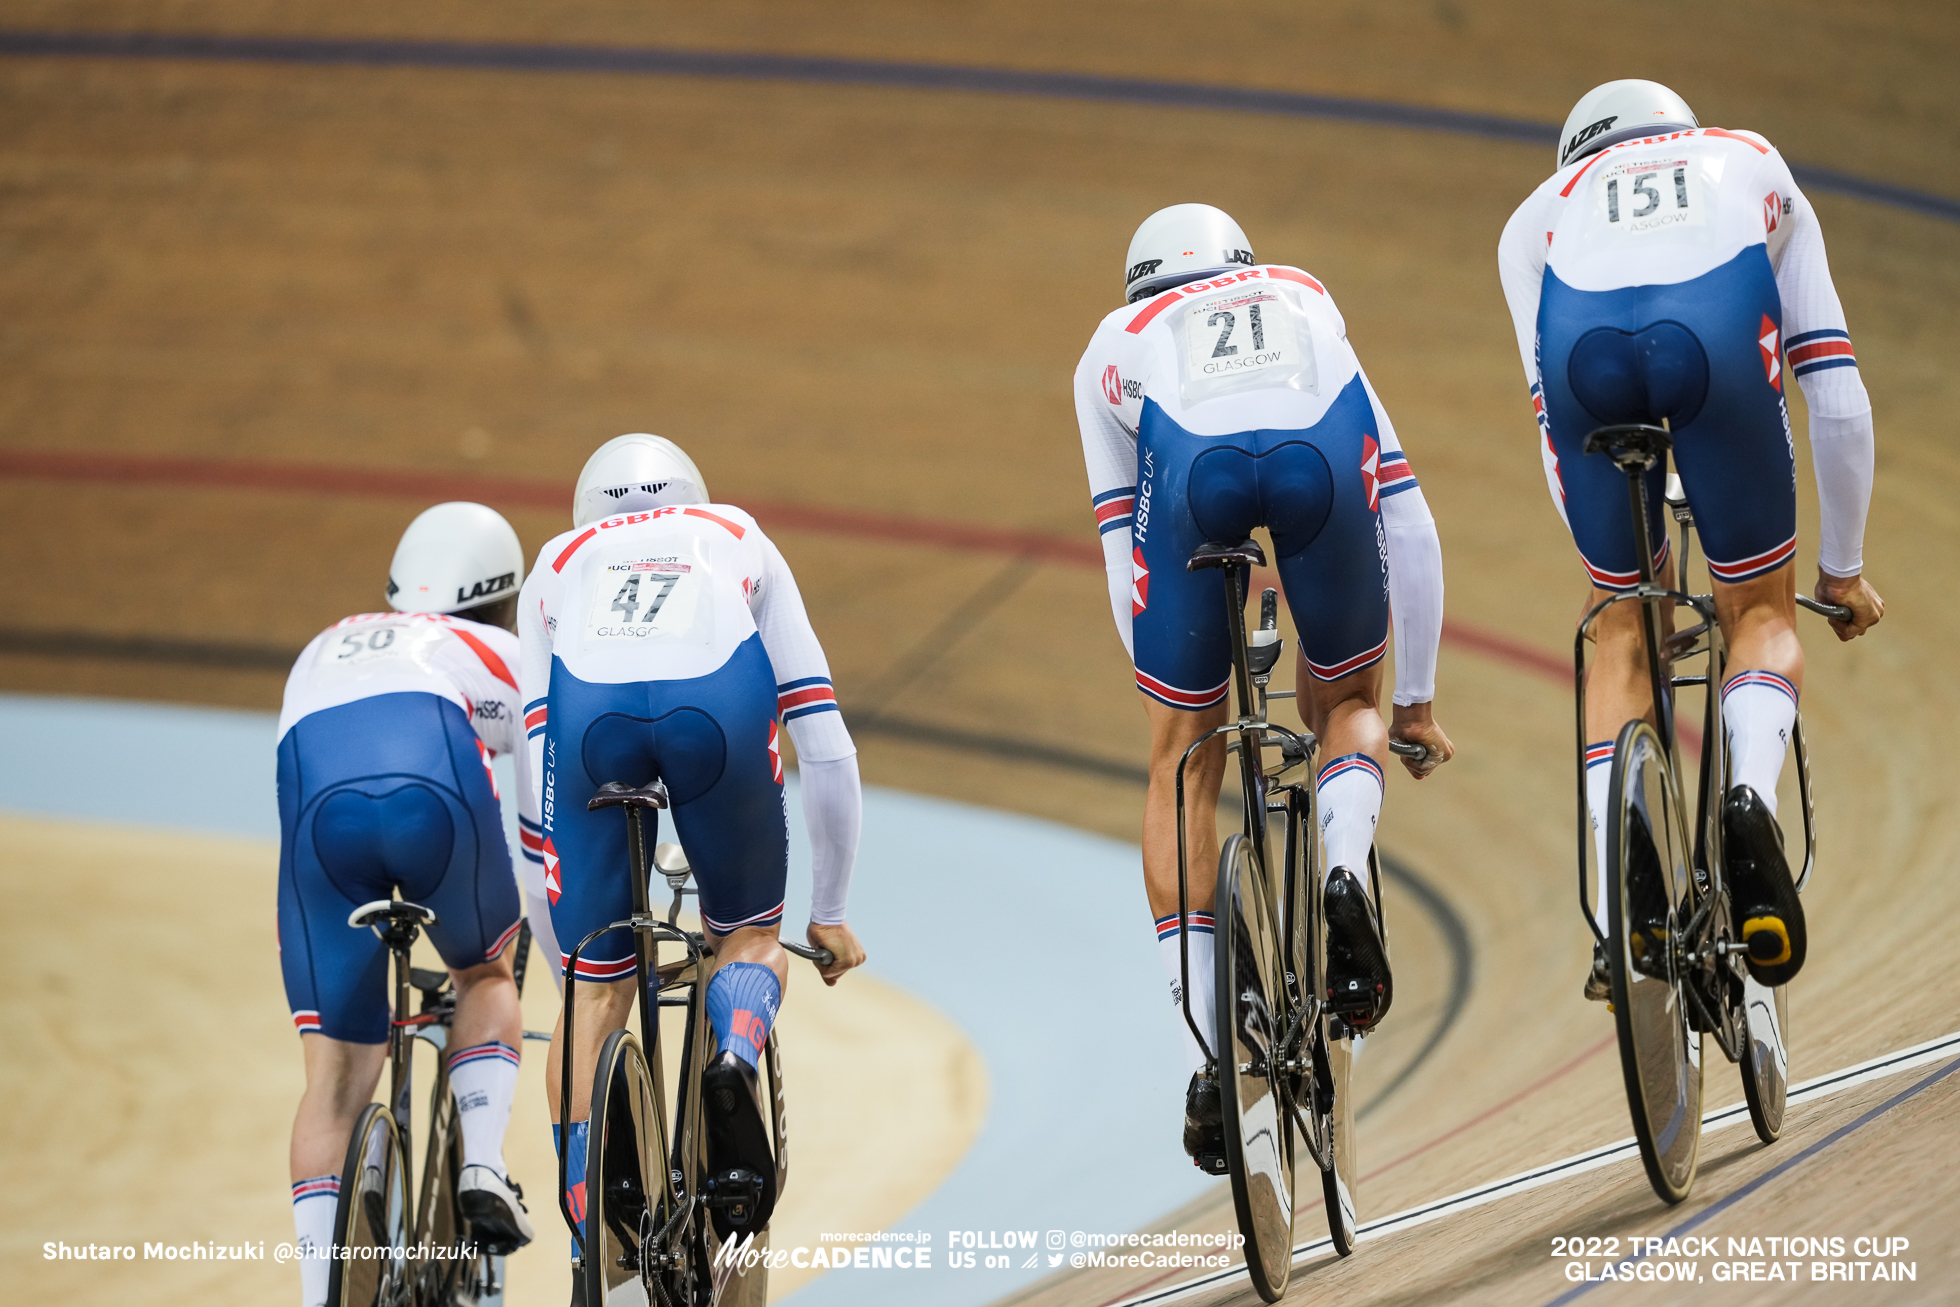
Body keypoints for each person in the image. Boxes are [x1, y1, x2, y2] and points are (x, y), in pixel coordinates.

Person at [1074, 204, 1453, 1170]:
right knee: (1348, 704)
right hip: (1312, 458)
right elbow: (1407, 518)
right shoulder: (1303, 294)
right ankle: (1339, 863)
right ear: (1242, 264)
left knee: (1179, 765)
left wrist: (1173, 689)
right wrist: (1412, 698)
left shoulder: (1111, 347)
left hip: (1191, 481)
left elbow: (1126, 546)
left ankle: (1206, 1042)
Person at [1497, 80, 1886, 998]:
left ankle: (1615, 898)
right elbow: (1833, 389)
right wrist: (1844, 569)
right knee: (1758, 610)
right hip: (1711, 334)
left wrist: (1633, 582)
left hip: (1582, 356)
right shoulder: (1748, 157)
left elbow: (1554, 433)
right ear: (1678, 131)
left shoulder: (1533, 220)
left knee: (1621, 627)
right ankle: (1749, 792)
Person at [517, 433, 866, 1274]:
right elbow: (824, 741)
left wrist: (568, 948)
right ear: (691, 494)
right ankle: (737, 1053)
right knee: (746, 936)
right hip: (713, 702)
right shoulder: (735, 532)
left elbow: (534, 770)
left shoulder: (556, 561)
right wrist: (830, 912)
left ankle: (588, 1223)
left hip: (587, 725)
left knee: (591, 996)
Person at [276, 502, 538, 1307]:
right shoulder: (492, 647)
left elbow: (294, 788)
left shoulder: (321, 647)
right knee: (485, 973)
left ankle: (324, 1284)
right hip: (433, 803)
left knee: (333, 1074)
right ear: (501, 596)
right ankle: (482, 1164)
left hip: (320, 828)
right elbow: (535, 795)